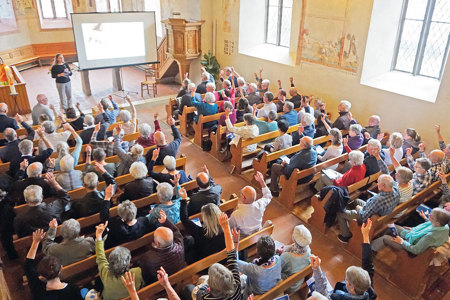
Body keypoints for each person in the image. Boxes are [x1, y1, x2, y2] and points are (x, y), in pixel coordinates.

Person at [310, 220, 375, 300]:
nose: (345, 279)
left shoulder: (338, 298)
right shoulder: (368, 289)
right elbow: (368, 264)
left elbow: (323, 295)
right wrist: (365, 236)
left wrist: (317, 269)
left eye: (346, 279)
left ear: (352, 288)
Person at [185, 212, 243, 299]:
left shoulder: (205, 297)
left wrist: (203, 287)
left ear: (210, 286)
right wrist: (226, 228)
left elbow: (198, 291)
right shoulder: (237, 286)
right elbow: (232, 254)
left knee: (188, 288)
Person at [336, 174, 399, 243]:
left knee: (340, 212)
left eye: (378, 182)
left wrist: (359, 209)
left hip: (368, 218)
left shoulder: (378, 200)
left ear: (383, 185)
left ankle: (345, 236)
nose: (377, 183)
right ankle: (348, 220)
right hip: (379, 214)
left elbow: (364, 217)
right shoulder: (396, 190)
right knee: (356, 200)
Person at [24, 229, 83, 300]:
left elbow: (28, 264)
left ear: (41, 274)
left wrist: (35, 242)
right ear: (61, 268)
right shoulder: (72, 289)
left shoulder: (36, 285)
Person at [95, 221, 144, 300]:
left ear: (110, 261)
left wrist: (99, 236)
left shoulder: (106, 273)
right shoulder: (137, 272)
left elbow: (100, 257)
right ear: (128, 263)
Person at [371, 208, 449, 255]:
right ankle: (376, 246)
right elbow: (429, 225)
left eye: (431, 217)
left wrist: (401, 241)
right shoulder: (444, 226)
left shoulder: (430, 236)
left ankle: (369, 249)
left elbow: (415, 250)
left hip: (409, 245)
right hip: (412, 236)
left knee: (385, 238)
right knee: (390, 226)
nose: (429, 216)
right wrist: (413, 229)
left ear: (437, 222)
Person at [14, 173, 70, 238]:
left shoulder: (19, 218)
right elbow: (65, 197)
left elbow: (20, 235)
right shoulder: (53, 208)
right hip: (56, 238)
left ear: (26, 200)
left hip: (32, 244)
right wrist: (54, 183)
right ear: (42, 197)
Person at [139, 210, 186, 284]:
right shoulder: (179, 244)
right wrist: (165, 221)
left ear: (157, 243)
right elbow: (176, 231)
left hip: (161, 284)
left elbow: (145, 273)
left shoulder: (148, 257)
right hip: (179, 275)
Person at [179, 187, 225, 260]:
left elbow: (184, 219)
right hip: (222, 259)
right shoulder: (225, 228)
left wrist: (184, 199)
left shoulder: (200, 231)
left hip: (204, 261)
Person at [229, 171, 272, 237]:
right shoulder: (260, 205)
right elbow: (268, 195)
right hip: (257, 235)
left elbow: (229, 228)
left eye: (241, 193)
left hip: (243, 239)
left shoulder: (236, 214)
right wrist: (262, 181)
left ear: (243, 198)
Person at [279, 225, 312, 293]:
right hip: (298, 282)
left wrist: (280, 254)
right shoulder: (308, 251)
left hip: (287, 286)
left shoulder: (286, 257)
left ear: (294, 238)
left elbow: (276, 270)